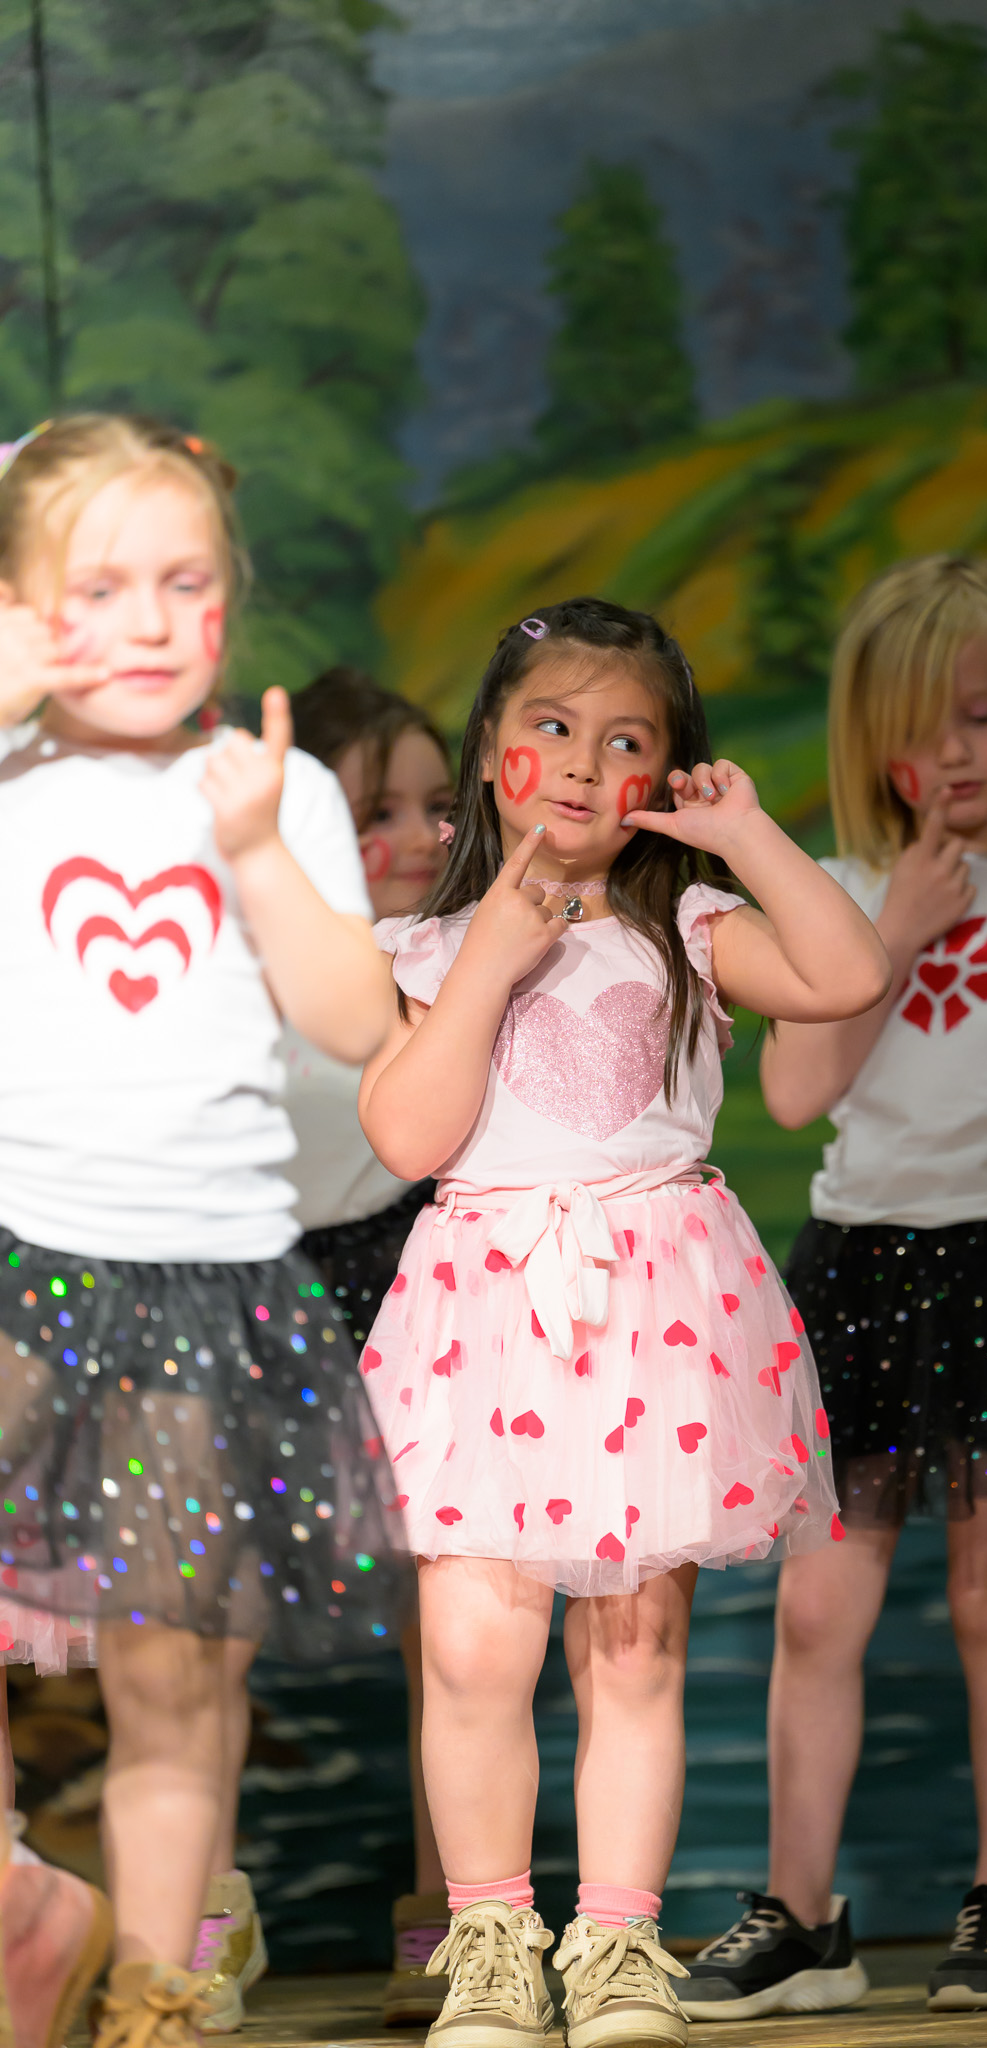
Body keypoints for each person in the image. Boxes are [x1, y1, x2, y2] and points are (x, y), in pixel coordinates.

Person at [356, 596, 890, 2048]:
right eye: (553, 728)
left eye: (626, 740)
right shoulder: (426, 947)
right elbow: (407, 1135)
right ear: (490, 752)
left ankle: (616, 1949)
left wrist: (747, 837)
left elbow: (848, 975)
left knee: (636, 1650)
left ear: (667, 772)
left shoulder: (691, 928)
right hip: (486, 1321)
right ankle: (488, 1946)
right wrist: (490, 955)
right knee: (474, 1650)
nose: (587, 764)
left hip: (651, 1318)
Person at [678, 555, 987, 2022]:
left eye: (985, 716)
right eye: (924, 726)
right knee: (821, 1610)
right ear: (872, 741)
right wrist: (901, 933)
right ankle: (801, 1912)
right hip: (868, 1257)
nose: (957, 753)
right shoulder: (844, 892)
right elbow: (797, 1090)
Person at [0, 413, 402, 2048]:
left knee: (170, 1678)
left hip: (203, 1295)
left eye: (185, 583)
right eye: (98, 589)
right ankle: (27, 1905)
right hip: (19, 1267)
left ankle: (156, 1993)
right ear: (16, 605)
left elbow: (357, 1022)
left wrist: (253, 854)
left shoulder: (276, 789)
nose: (152, 623)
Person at [287, 666, 455, 2026]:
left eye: (436, 806)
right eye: (369, 813)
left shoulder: (465, 957)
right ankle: (199, 1917)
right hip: (255, 1279)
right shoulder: (252, 956)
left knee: (442, 1609)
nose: (411, 837)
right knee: (197, 1616)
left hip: (417, 1265)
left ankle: (450, 1909)